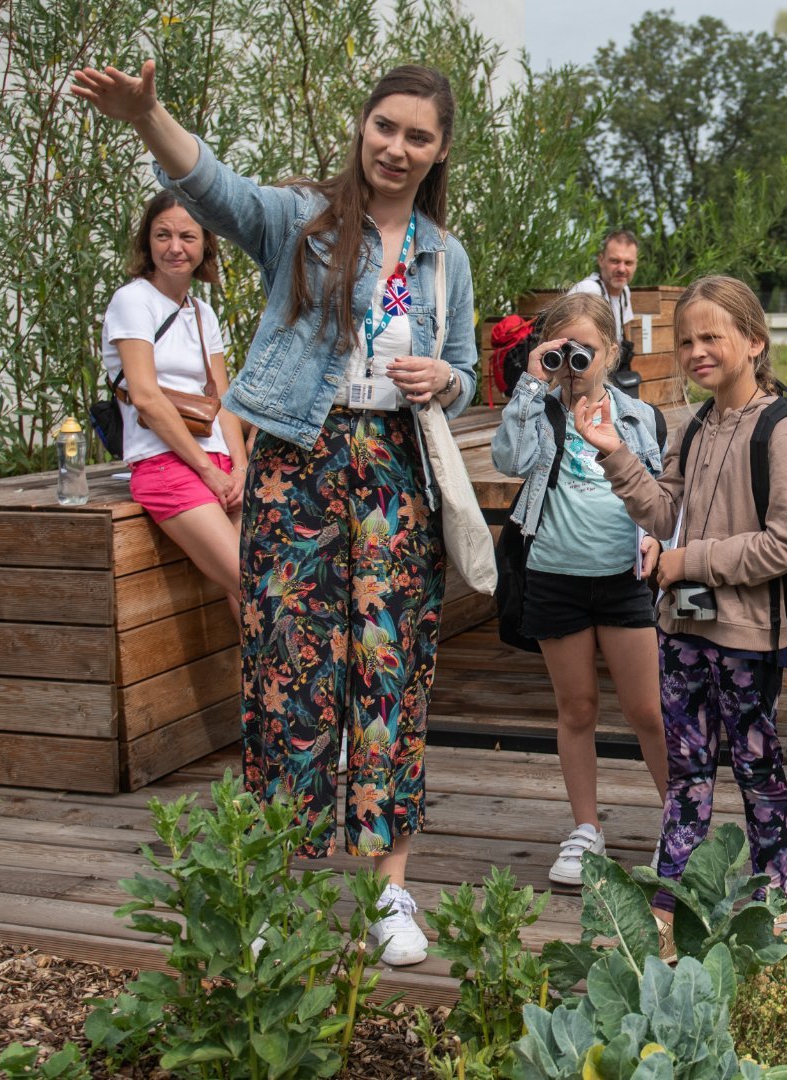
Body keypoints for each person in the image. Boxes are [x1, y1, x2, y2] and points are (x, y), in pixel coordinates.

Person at [72, 61, 478, 966]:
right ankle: (277, 891)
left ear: (440, 149)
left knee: (389, 672)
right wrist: (148, 116)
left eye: (418, 135)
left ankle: (389, 892)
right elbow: (209, 185)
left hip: (396, 474)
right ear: (362, 127)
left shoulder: (445, 257)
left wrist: (445, 379)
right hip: (297, 462)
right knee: (286, 669)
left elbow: (467, 369)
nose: (397, 147)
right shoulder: (301, 223)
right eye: (386, 127)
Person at [572, 275, 787, 942]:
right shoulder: (695, 424)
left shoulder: (780, 429)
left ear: (754, 341)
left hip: (747, 640)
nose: (697, 350)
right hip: (680, 629)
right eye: (686, 340)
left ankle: (770, 894)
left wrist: (690, 560)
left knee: (757, 771)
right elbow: (662, 510)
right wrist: (617, 455)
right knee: (686, 773)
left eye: (712, 335)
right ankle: (673, 897)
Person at [491, 292, 670, 886]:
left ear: (611, 352)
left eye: (584, 351)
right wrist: (531, 383)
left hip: (622, 578)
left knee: (648, 709)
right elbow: (510, 460)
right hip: (554, 575)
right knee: (577, 709)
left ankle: (681, 818)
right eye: (562, 350)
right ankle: (586, 828)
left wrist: (658, 539)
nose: (574, 362)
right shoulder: (540, 410)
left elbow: (664, 496)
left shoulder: (638, 416)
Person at [102, 190, 247, 623]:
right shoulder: (133, 300)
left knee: (251, 592)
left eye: (187, 235)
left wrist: (238, 468)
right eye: (162, 235)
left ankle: (266, 691)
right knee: (255, 584)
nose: (175, 247)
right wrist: (208, 472)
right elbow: (146, 397)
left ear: (205, 243)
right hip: (167, 466)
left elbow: (223, 400)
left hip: (221, 464)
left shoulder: (203, 313)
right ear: (147, 241)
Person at [568, 229, 641, 332]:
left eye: (628, 263)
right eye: (615, 261)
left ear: (635, 265)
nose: (621, 269)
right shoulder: (588, 290)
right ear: (601, 260)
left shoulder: (624, 291)